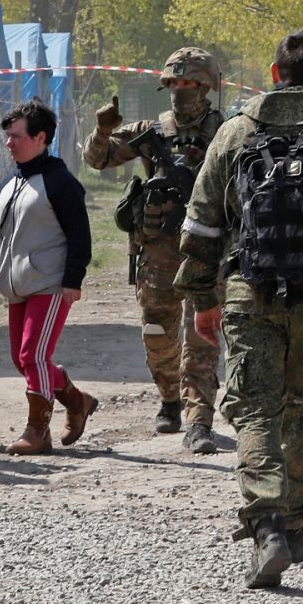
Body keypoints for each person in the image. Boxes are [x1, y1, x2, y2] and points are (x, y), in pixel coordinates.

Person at [175, 30, 303, 589]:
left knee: (256, 409)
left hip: (248, 293)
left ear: (272, 73)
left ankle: (267, 528)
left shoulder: (234, 133)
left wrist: (200, 299)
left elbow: (199, 227)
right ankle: (296, 523)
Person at [82, 48, 226, 453]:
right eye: (175, 84)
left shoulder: (227, 131)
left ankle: (200, 421)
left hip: (206, 254)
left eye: (191, 84)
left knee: (203, 337)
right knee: (157, 334)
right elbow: (98, 160)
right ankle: (169, 398)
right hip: (157, 254)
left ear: (208, 86)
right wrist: (102, 131)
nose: (181, 91)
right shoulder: (152, 131)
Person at [0, 101, 96, 456]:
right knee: (23, 360)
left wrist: (72, 279)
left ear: (41, 137)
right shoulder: (12, 181)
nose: (9, 143)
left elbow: (80, 234)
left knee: (33, 355)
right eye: (8, 136)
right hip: (16, 285)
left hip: (50, 283)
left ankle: (37, 432)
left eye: (16, 136)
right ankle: (77, 401)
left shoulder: (61, 182)